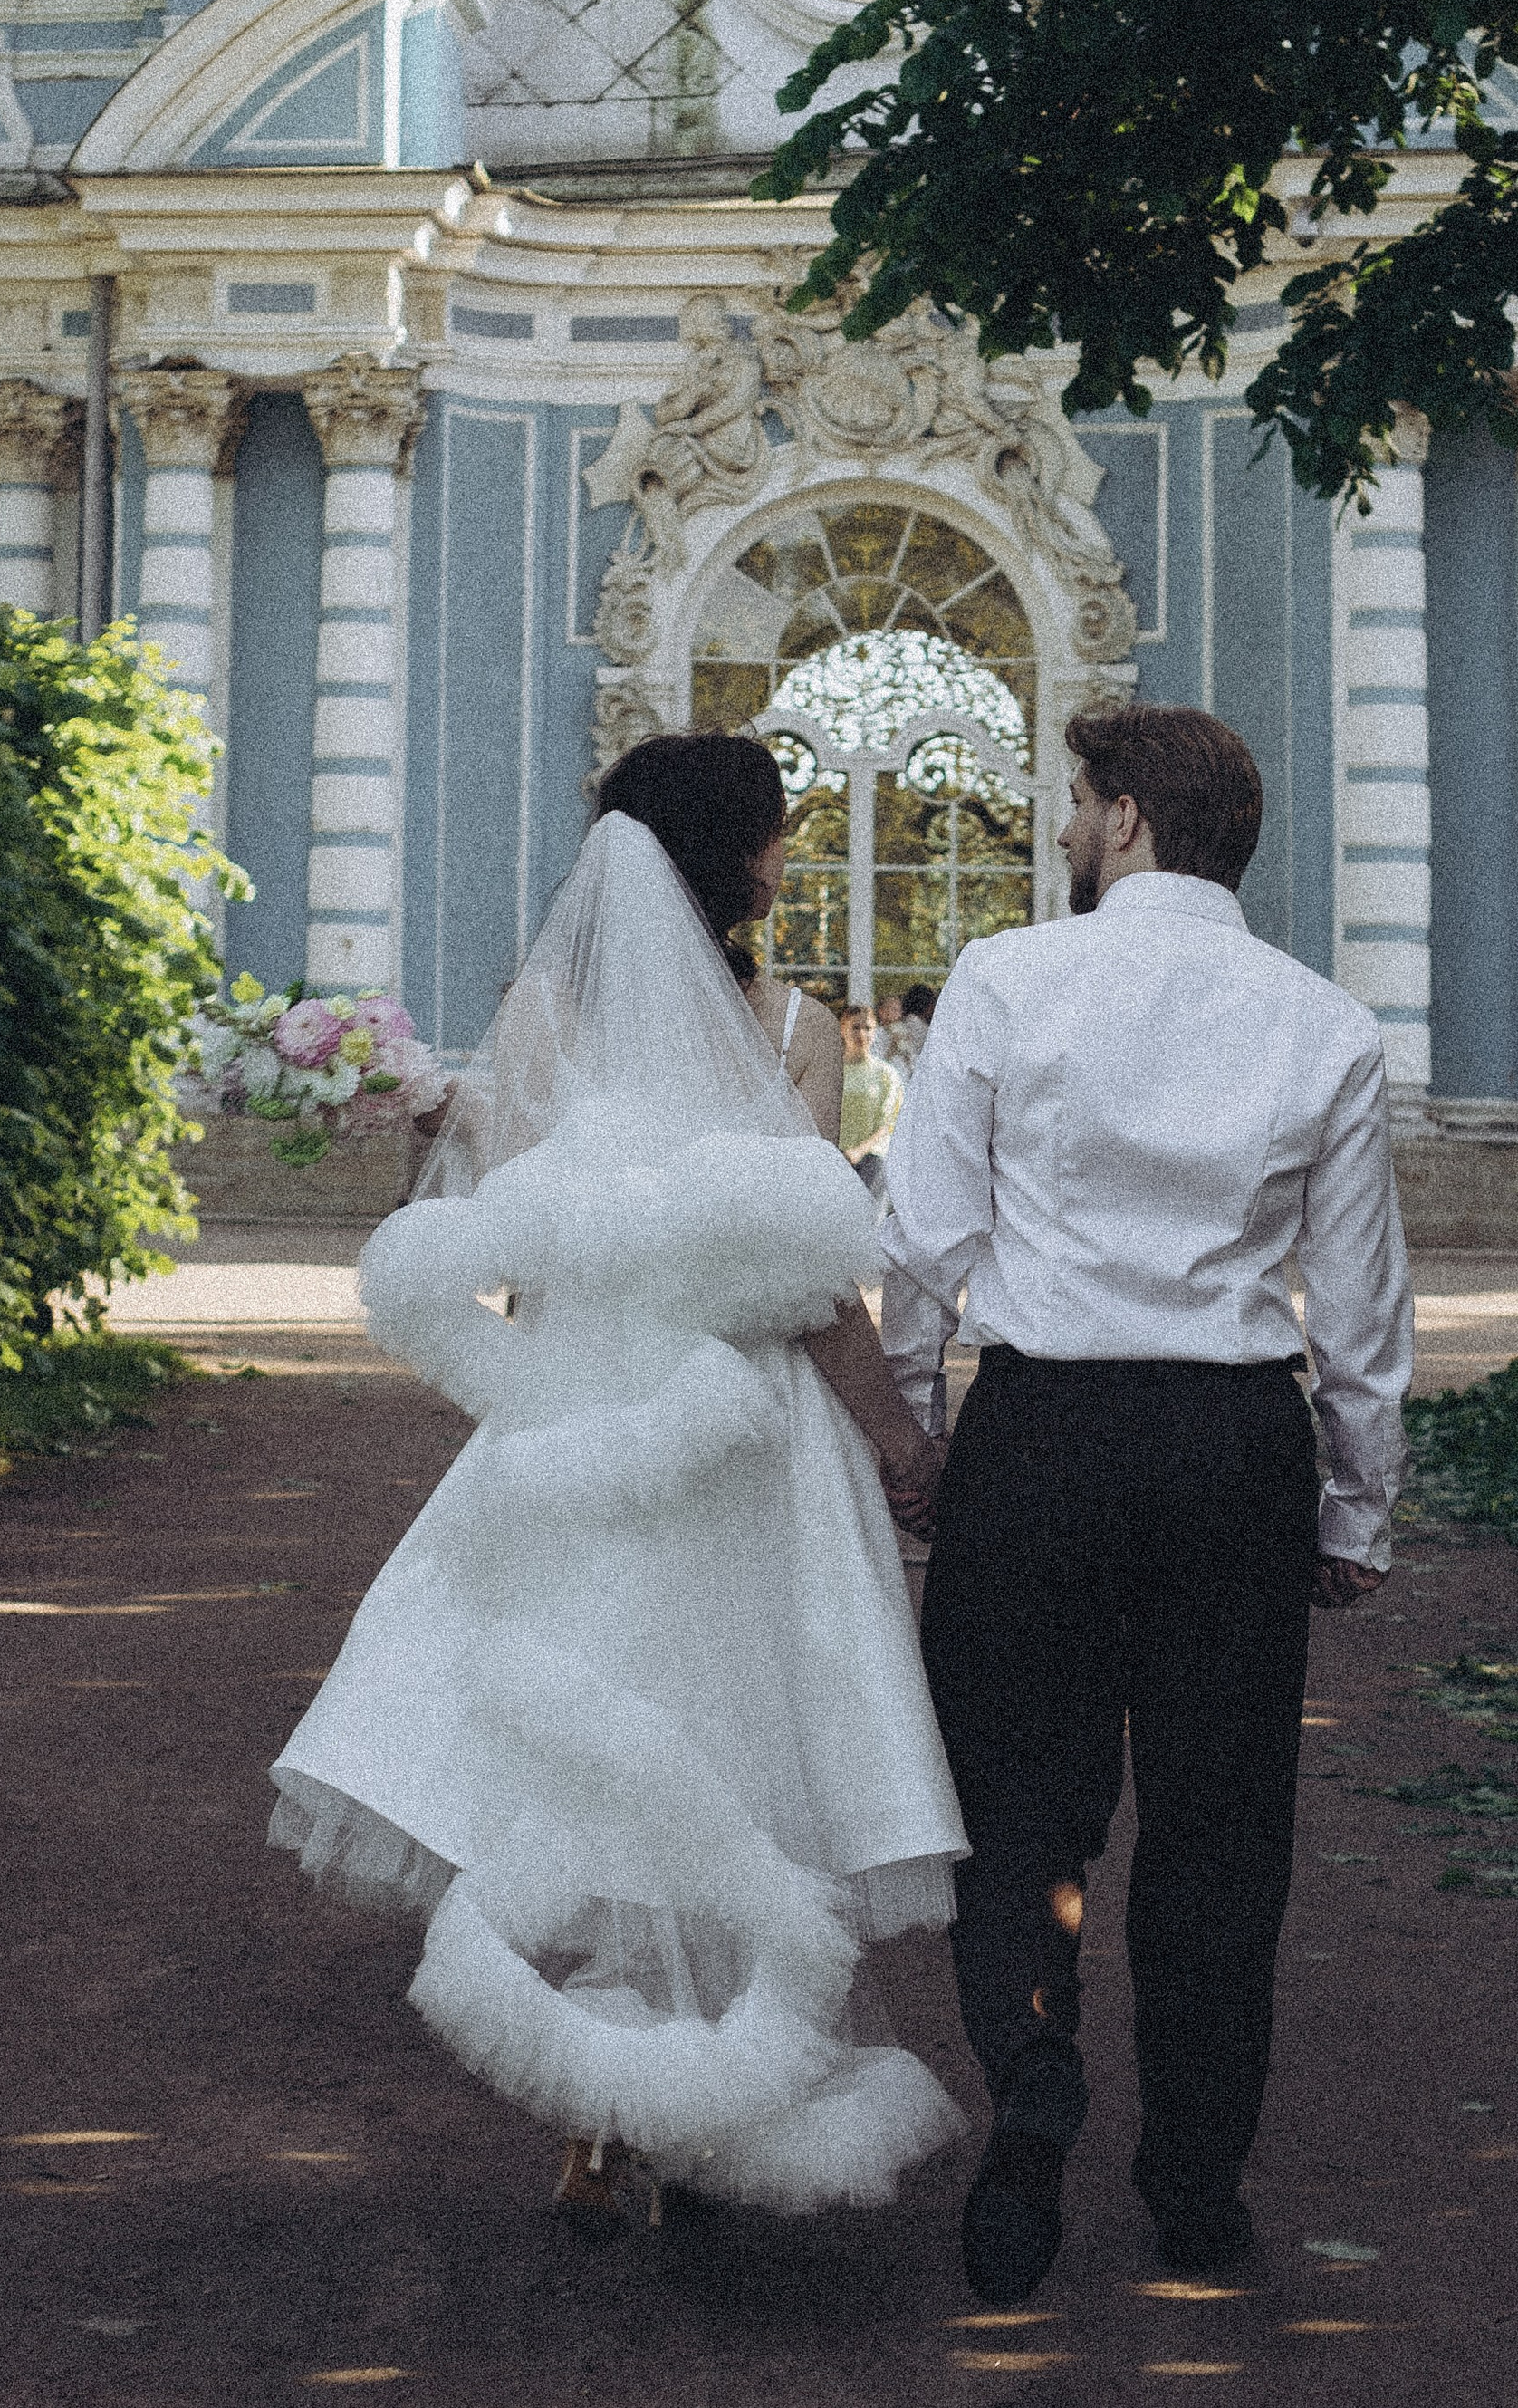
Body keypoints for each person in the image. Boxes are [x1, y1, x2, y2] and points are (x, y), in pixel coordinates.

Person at [269, 732, 964, 2241]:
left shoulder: (540, 1018)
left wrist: (559, 1386)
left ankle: (602, 2112)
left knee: (595, 1742)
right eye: (778, 834)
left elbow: (499, 1247)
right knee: (744, 1752)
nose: (788, 855)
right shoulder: (791, 1028)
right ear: (742, 855)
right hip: (747, 1444)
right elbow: (807, 1289)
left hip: (591, 1427)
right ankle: (726, 2088)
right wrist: (908, 1446)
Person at [879, 703, 1414, 2306]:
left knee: (1016, 1812)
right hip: (1231, 1448)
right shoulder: (1324, 1022)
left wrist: (919, 1439)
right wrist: (1354, 1513)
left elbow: (921, 1245)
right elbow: (1365, 1306)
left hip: (1041, 1433)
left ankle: (1032, 2104)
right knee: (1222, 1831)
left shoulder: (1005, 980)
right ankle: (1193, 2186)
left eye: (1073, 803)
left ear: (1125, 821)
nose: (1059, 827)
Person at [838, 1001, 904, 1194]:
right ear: (843, 1029)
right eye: (855, 1027)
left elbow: (889, 1124)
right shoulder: (832, 1072)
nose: (862, 1034)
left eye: (868, 1028)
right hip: (836, 1158)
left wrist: (859, 1151)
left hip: (873, 1159)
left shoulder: (887, 1075)